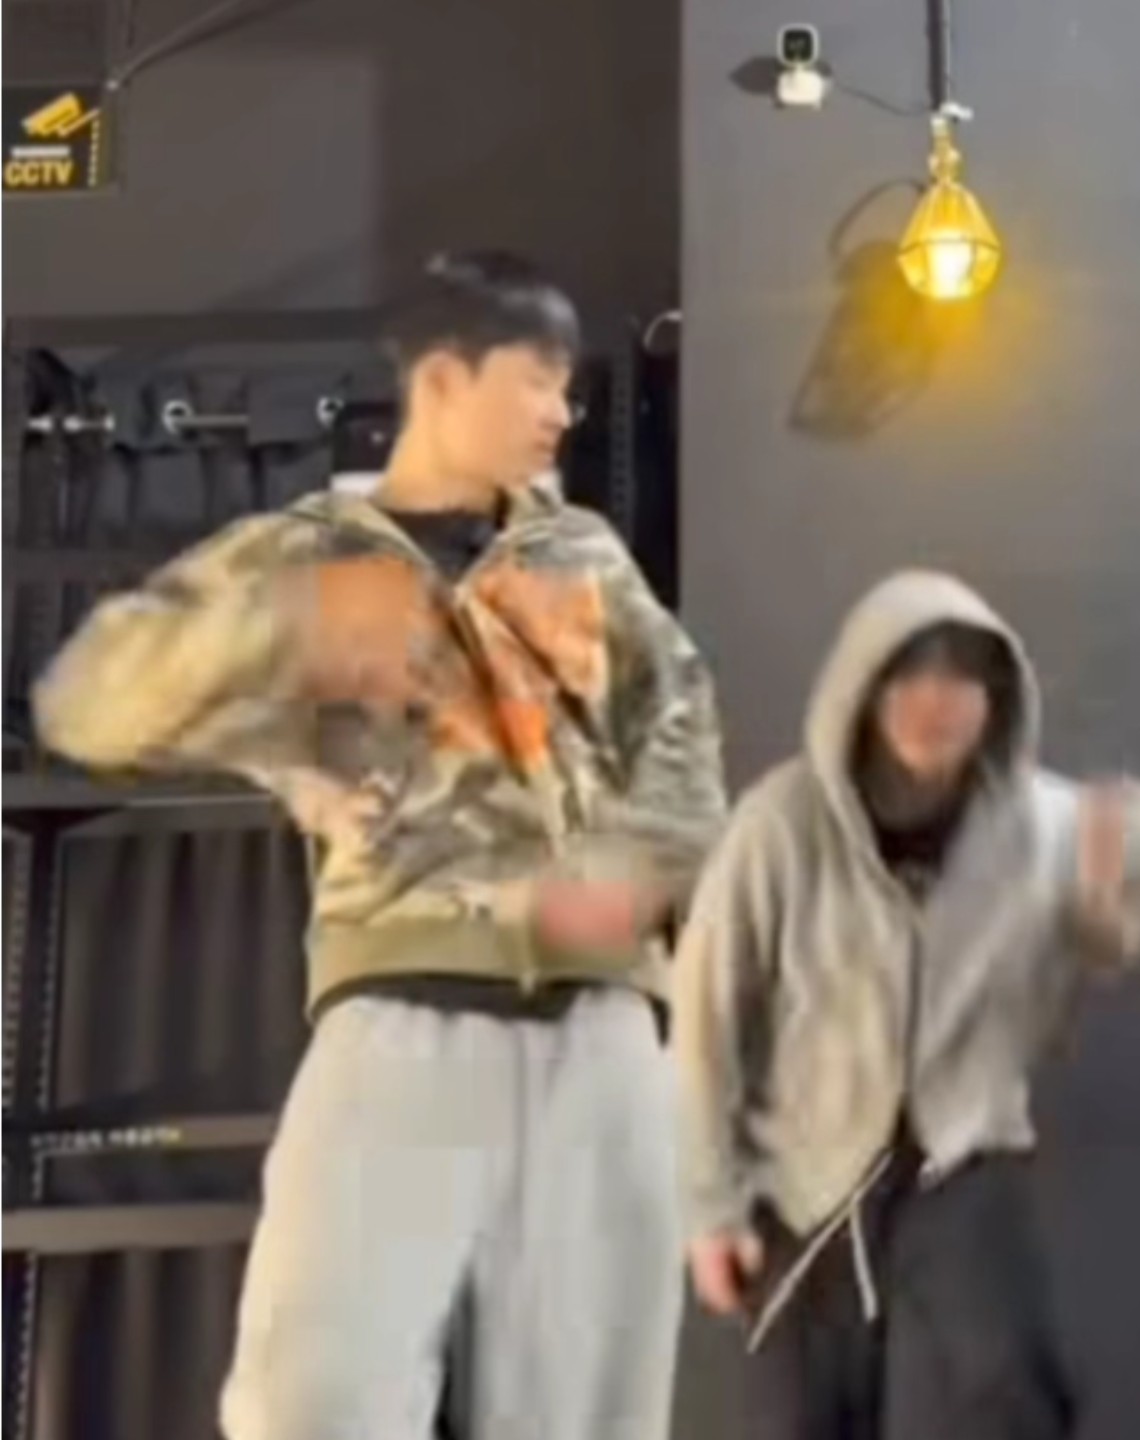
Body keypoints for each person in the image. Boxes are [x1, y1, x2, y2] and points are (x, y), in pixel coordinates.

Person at [32, 252, 727, 1440]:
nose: (562, 411)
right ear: (445, 381)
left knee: (586, 1410)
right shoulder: (304, 550)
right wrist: (285, 641)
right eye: (536, 380)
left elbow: (682, 739)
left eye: (568, 387)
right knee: (315, 1397)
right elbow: (90, 699)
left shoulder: (585, 559)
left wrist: (640, 869)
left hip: (598, 1027)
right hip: (397, 1006)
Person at [672, 571, 1140, 1440]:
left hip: (964, 1162)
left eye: (962, 679)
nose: (936, 702)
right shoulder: (783, 824)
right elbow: (705, 1025)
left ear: (996, 700)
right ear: (863, 689)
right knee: (796, 1420)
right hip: (808, 1177)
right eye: (910, 675)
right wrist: (709, 1210)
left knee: (1002, 1396)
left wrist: (1114, 889)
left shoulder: (1043, 822)